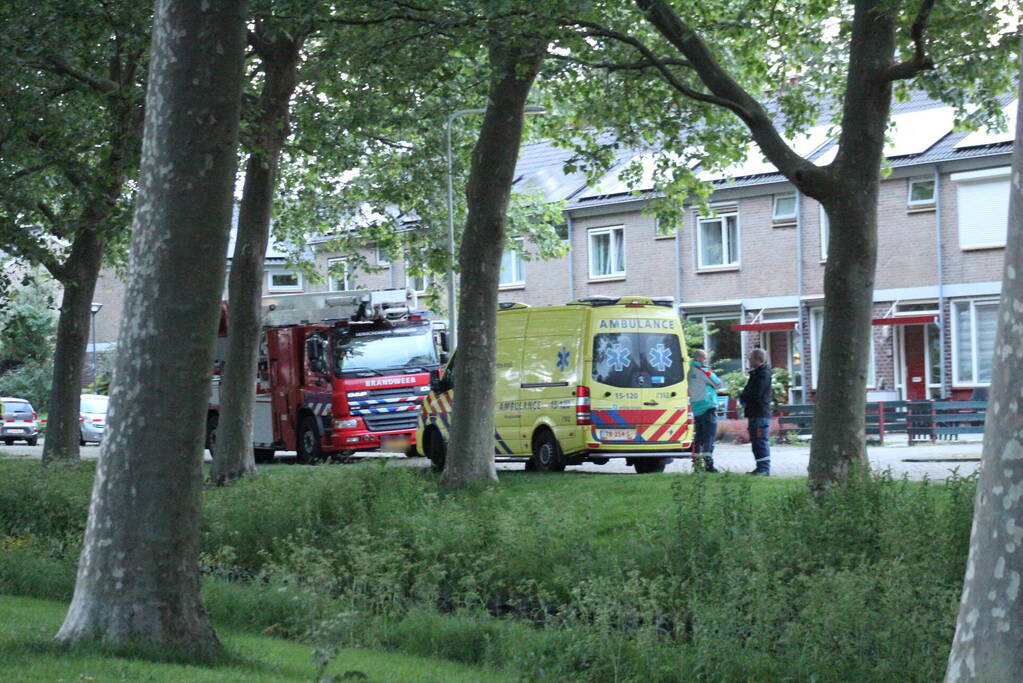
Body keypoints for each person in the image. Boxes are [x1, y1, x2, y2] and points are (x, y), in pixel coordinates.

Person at [687, 349, 721, 473]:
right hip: (707, 406)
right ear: (699, 358)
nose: (706, 360)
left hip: (696, 408)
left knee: (699, 437)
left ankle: (696, 465)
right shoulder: (702, 370)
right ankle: (709, 465)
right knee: (709, 438)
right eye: (704, 358)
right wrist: (709, 384)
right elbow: (718, 383)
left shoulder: (689, 370)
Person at [739, 348, 772, 475]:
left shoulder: (763, 374)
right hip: (755, 412)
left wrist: (745, 397)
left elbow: (756, 393)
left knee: (760, 441)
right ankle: (760, 467)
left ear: (758, 359)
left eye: (751, 358)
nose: (749, 360)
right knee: (757, 442)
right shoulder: (758, 373)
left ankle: (764, 468)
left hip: (759, 413)